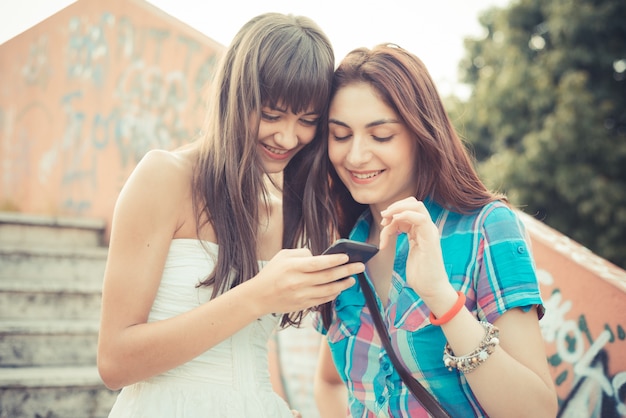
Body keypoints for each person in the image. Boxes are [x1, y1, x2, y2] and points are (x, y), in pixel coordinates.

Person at [96, 13, 364, 418]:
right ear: (235, 95)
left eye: (307, 121)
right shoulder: (164, 177)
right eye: (272, 114)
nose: (288, 137)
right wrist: (259, 295)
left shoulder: (291, 209)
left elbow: (247, 355)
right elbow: (115, 362)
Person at [312, 44, 558, 417]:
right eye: (341, 135)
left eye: (381, 136)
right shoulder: (343, 246)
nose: (356, 156)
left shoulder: (486, 228)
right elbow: (330, 380)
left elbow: (535, 411)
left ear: (420, 134)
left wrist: (440, 296)